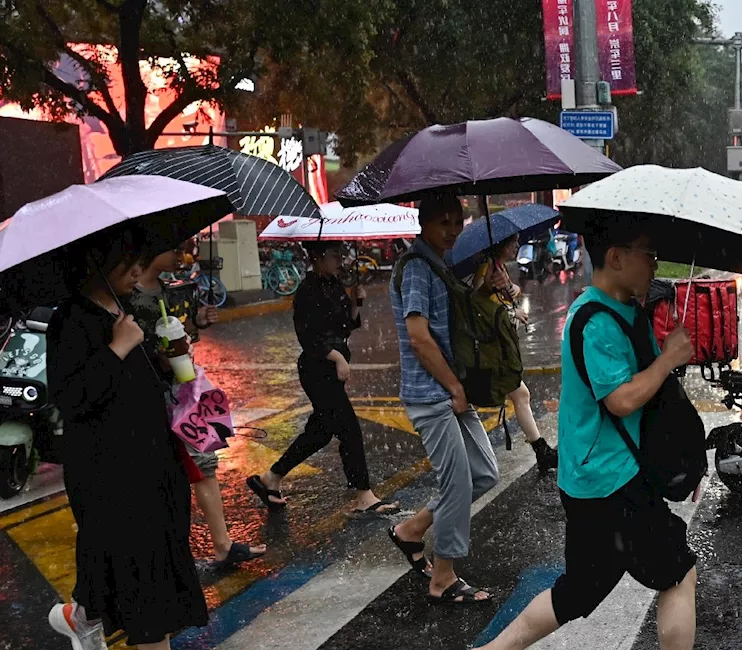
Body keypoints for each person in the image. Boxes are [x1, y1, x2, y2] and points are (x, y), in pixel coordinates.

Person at [445, 218, 742, 650]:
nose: (653, 263)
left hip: (604, 477)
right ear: (616, 257)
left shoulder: (625, 310)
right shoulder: (596, 322)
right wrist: (669, 357)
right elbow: (623, 399)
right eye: (646, 253)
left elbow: (650, 402)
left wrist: (676, 458)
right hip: (609, 480)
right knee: (677, 572)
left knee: (581, 588)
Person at [47, 228, 221, 650]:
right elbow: (73, 397)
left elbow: (132, 382)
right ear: (102, 266)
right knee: (141, 558)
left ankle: (82, 616)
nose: (139, 272)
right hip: (108, 465)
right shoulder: (73, 320)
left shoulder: (122, 312)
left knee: (137, 549)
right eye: (130, 264)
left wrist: (165, 360)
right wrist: (118, 347)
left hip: (149, 454)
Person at [387, 196, 499, 604]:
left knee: (484, 474)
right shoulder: (417, 268)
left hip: (452, 389)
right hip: (431, 393)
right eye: (443, 222)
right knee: (456, 484)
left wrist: (485, 288)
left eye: (458, 221)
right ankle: (444, 578)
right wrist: (454, 387)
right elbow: (418, 337)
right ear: (423, 223)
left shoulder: (439, 263)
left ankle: (411, 530)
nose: (453, 229)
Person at [127, 246, 266, 570]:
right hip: (148, 398)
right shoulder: (127, 299)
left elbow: (182, 339)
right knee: (158, 475)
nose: (182, 255)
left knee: (203, 460)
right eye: (174, 248)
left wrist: (198, 323)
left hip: (183, 392)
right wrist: (156, 357)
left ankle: (222, 545)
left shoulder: (172, 292)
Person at [247, 242, 399, 516]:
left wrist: (355, 303)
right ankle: (364, 496)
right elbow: (308, 337)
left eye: (341, 255)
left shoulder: (334, 284)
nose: (340, 260)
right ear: (317, 257)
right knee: (349, 429)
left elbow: (345, 326)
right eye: (334, 256)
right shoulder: (307, 291)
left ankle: (271, 478)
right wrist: (336, 358)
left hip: (330, 370)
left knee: (319, 433)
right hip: (317, 370)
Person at [474, 236, 558, 474]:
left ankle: (540, 451)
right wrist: (512, 314)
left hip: (502, 345)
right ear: (500, 245)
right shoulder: (487, 269)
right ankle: (541, 451)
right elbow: (479, 305)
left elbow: (506, 296)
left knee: (520, 394)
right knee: (519, 394)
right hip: (492, 348)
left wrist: (513, 290)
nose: (515, 247)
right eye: (511, 243)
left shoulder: (500, 268)